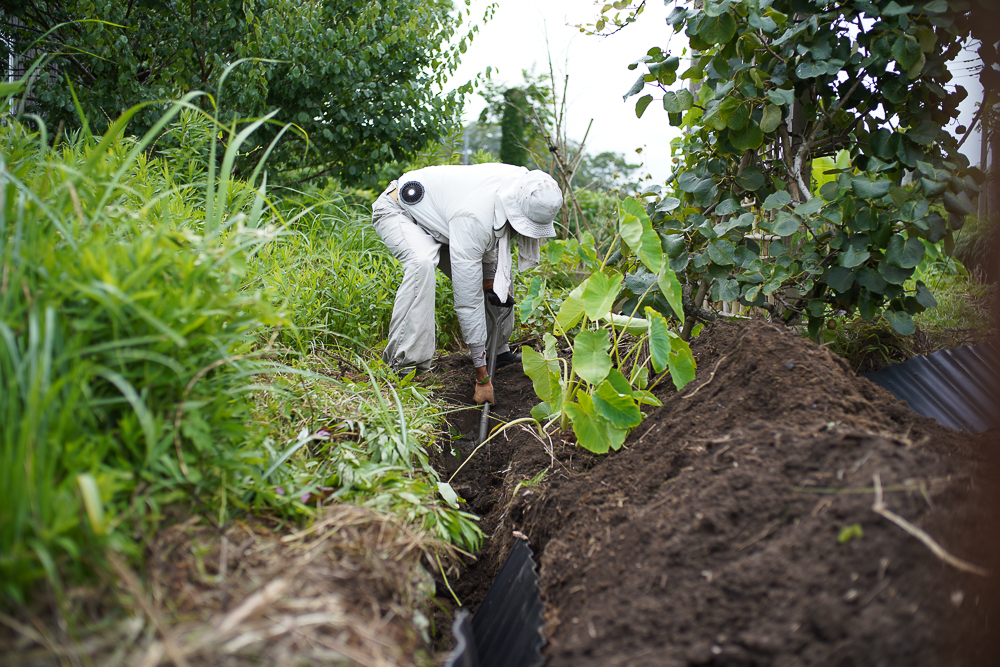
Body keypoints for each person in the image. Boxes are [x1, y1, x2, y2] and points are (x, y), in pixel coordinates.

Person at [371, 163, 562, 404]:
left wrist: (491, 280)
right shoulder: (473, 217)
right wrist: (481, 376)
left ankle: (498, 351)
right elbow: (468, 301)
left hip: (447, 221)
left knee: (499, 280)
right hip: (401, 212)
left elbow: (494, 238)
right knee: (422, 264)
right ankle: (401, 365)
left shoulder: (524, 184)